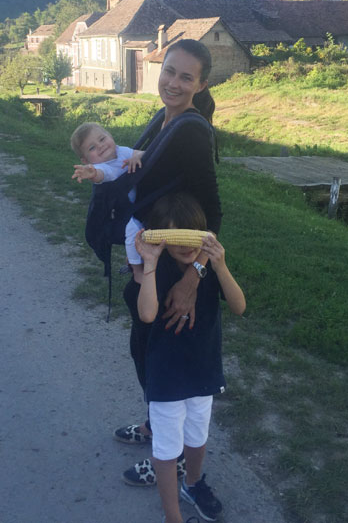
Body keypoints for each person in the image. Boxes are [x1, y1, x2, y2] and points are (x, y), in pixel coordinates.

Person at [114, 39, 223, 486]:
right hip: (154, 257)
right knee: (145, 350)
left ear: (201, 84)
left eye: (185, 77)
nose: (173, 83)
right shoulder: (165, 119)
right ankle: (155, 426)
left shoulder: (192, 132)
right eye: (169, 71)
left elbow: (213, 213)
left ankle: (173, 458)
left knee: (167, 367)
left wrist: (193, 279)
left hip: (177, 268)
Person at [135, 192, 246, 523]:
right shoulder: (159, 269)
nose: (187, 246)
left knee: (197, 439)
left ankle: (193, 483)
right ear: (163, 238)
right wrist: (149, 263)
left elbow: (239, 306)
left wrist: (221, 265)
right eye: (176, 237)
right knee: (167, 450)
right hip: (166, 376)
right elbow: (147, 314)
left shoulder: (207, 270)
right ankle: (173, 516)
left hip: (203, 370)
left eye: (193, 236)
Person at [71, 122, 145, 281]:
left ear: (110, 136)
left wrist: (137, 156)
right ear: (85, 160)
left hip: (139, 202)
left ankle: (136, 257)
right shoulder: (101, 166)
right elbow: (105, 175)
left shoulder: (122, 151)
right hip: (121, 212)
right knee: (134, 229)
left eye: (102, 139)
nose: (100, 146)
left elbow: (145, 153)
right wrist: (92, 174)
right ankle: (137, 271)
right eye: (92, 148)